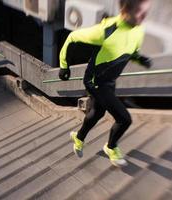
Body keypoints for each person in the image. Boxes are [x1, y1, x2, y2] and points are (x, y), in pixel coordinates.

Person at [59, 0, 152, 167]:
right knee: (124, 119)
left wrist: (139, 58)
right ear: (125, 11)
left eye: (146, 12)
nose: (144, 16)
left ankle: (78, 138)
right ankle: (111, 147)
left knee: (97, 113)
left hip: (109, 81)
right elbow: (72, 38)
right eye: (140, 12)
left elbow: (130, 48)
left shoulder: (140, 28)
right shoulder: (106, 29)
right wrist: (64, 66)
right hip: (95, 82)